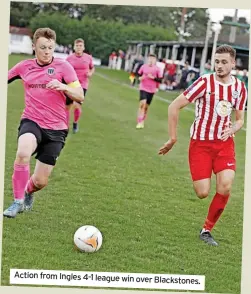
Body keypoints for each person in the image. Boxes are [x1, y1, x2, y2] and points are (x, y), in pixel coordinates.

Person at [158, 45, 247, 246]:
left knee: (225, 186)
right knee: (203, 193)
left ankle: (206, 230)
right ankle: (205, 220)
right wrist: (173, 138)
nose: (219, 66)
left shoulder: (240, 88)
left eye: (224, 62)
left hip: (225, 145)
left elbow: (241, 119)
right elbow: (174, 106)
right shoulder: (204, 82)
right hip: (201, 145)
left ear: (233, 63)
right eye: (216, 61)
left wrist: (233, 128)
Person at [4, 27, 84, 218]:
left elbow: (80, 96)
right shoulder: (24, 67)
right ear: (34, 47)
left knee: (40, 182)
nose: (47, 52)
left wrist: (63, 86)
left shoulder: (64, 67)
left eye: (50, 47)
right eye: (42, 48)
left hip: (56, 129)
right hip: (32, 121)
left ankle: (28, 191)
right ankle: (17, 202)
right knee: (23, 152)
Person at [66, 38, 95, 133]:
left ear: (83, 47)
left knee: (77, 105)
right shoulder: (69, 58)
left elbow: (92, 68)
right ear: (74, 47)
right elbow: (64, 69)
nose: (79, 47)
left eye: (80, 46)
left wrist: (90, 73)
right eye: (77, 46)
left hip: (83, 85)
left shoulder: (88, 58)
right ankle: (65, 125)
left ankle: (75, 123)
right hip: (71, 84)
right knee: (68, 106)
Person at [136, 54, 163, 129]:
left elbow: (160, 80)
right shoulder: (143, 66)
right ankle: (140, 121)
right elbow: (138, 74)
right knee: (142, 104)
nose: (151, 60)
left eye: (153, 59)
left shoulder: (157, 69)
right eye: (150, 58)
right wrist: (140, 78)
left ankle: (143, 118)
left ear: (155, 60)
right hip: (143, 88)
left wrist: (153, 78)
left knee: (146, 107)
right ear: (148, 59)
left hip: (151, 90)